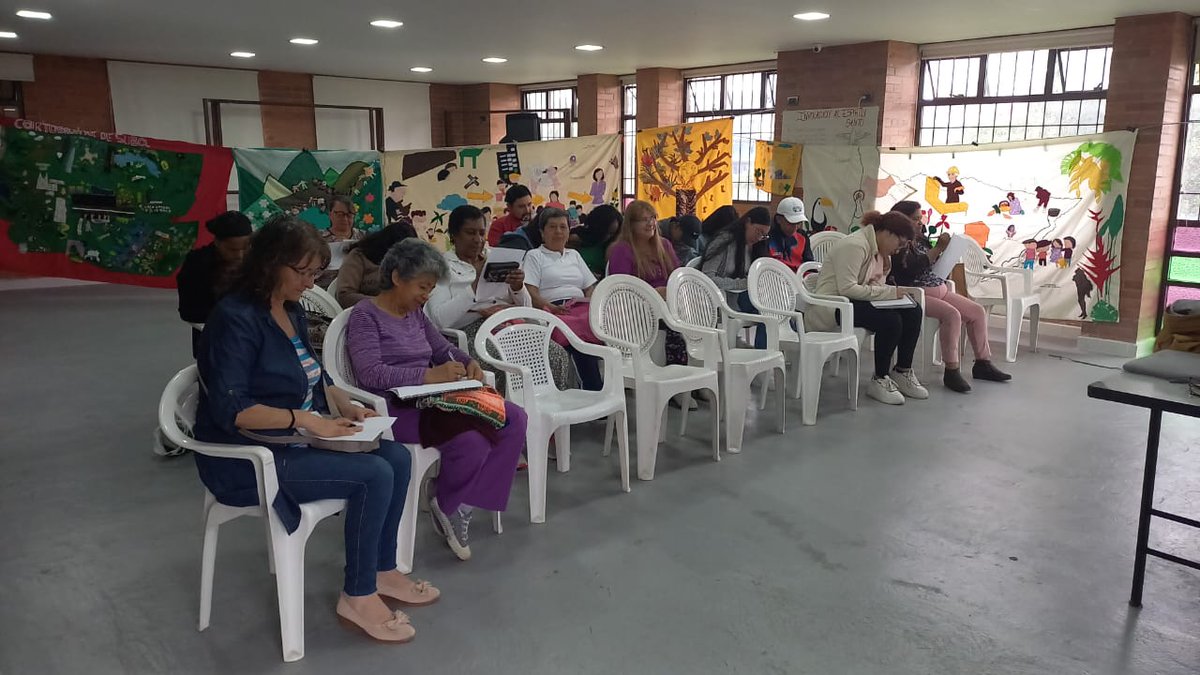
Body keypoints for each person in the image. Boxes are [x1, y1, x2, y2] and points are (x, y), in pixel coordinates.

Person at [193, 216, 436, 644]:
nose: (310, 283)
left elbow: (311, 372)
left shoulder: (290, 309)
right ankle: (357, 596)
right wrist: (307, 419)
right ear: (270, 264)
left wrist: (340, 398)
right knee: (374, 474)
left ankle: (381, 571)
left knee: (396, 457)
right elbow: (235, 410)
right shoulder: (235, 319)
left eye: (314, 273)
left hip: (293, 442)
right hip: (248, 456)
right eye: (303, 272)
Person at [346, 238, 528, 561]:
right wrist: (426, 376)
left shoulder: (415, 314)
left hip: (433, 398)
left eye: (430, 289)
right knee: (473, 441)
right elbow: (370, 374)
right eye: (422, 287)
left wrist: (467, 361)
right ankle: (447, 502)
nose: (426, 296)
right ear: (397, 277)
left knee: (514, 418)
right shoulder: (365, 316)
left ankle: (461, 503)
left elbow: (442, 348)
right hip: (392, 407)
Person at [425, 205, 574, 389]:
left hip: (508, 325)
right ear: (453, 235)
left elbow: (527, 308)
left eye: (481, 233)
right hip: (470, 332)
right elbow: (439, 320)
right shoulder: (441, 267)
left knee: (557, 356)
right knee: (502, 365)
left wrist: (518, 287)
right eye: (470, 233)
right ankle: (512, 414)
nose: (478, 240)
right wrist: (475, 290)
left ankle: (553, 412)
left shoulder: (496, 256)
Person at [805, 210, 927, 406]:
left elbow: (873, 285)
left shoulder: (878, 251)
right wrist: (890, 293)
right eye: (900, 243)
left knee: (913, 311)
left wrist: (894, 292)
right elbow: (848, 288)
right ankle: (880, 378)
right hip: (834, 305)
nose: (899, 250)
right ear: (887, 233)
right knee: (891, 321)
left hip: (854, 302)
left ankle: (902, 371)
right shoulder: (855, 245)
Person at [887, 201, 1011, 393]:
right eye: (915, 219)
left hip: (939, 288)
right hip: (916, 294)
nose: (920, 223)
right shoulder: (897, 243)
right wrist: (938, 249)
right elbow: (910, 269)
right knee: (952, 315)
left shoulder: (920, 239)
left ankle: (982, 363)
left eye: (921, 219)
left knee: (976, 311)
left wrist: (946, 253)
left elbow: (930, 263)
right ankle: (951, 370)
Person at [524, 207, 603, 390]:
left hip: (579, 307)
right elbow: (531, 292)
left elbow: (589, 286)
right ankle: (593, 390)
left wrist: (590, 302)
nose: (558, 232)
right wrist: (550, 307)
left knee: (596, 320)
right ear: (542, 232)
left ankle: (603, 389)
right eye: (552, 227)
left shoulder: (574, 255)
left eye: (563, 227)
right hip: (553, 309)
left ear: (569, 231)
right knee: (578, 331)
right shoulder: (535, 256)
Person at [608, 200, 688, 366]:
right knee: (675, 325)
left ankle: (699, 371)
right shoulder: (622, 250)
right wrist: (653, 293)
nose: (650, 223)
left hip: (668, 302)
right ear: (631, 224)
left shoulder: (664, 245)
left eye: (652, 218)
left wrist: (670, 291)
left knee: (700, 314)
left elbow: (676, 276)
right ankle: (676, 376)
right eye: (644, 219)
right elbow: (620, 289)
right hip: (637, 308)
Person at [176, 210, 252, 355]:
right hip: (213, 337)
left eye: (245, 248)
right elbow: (188, 311)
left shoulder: (255, 260)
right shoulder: (197, 264)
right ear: (217, 242)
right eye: (232, 250)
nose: (240, 256)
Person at [701, 206, 772, 347]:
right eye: (758, 231)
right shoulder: (724, 241)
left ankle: (766, 355)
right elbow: (706, 279)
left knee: (774, 308)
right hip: (721, 299)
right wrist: (742, 284)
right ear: (747, 222)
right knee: (768, 310)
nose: (759, 238)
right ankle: (763, 354)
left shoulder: (753, 246)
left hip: (740, 296)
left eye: (764, 235)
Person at [335, 221, 418, 308]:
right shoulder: (359, 256)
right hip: (365, 313)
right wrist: (383, 304)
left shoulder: (410, 260)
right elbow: (344, 295)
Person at [318, 195, 365, 287]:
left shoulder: (363, 237)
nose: (345, 219)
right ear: (330, 214)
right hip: (324, 289)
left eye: (349, 215)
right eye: (340, 214)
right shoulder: (318, 238)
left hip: (356, 286)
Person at [572, 204, 622, 277]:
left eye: (612, 233)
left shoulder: (613, 243)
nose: (608, 237)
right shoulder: (575, 239)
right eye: (606, 232)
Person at [766, 197, 814, 270]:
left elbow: (809, 264)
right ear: (778, 219)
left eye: (798, 223)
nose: (795, 228)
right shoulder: (767, 237)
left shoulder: (802, 236)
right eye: (791, 223)